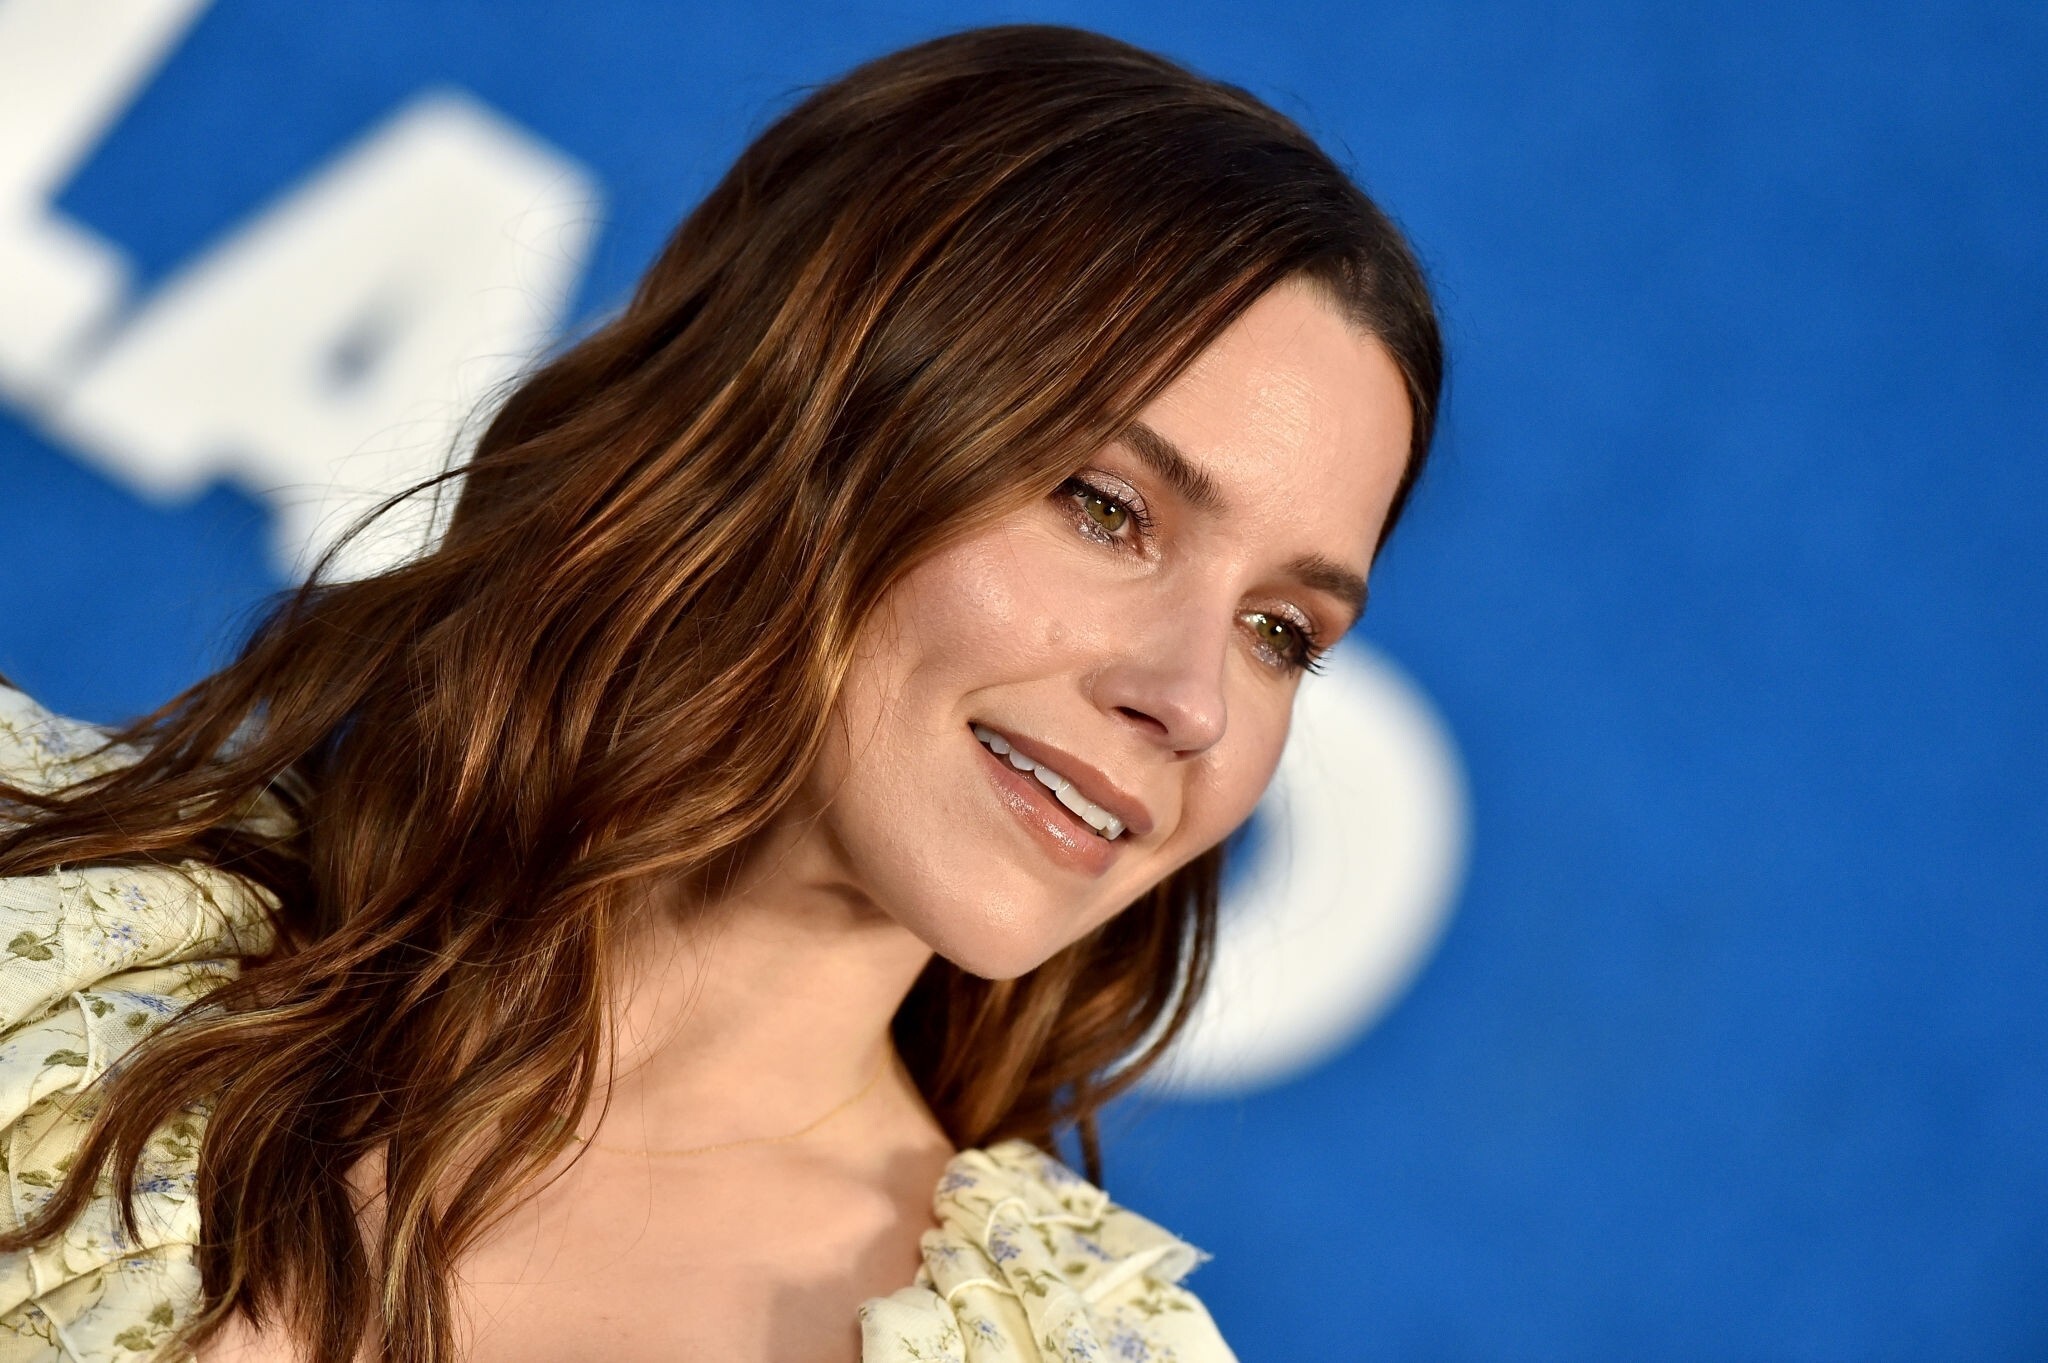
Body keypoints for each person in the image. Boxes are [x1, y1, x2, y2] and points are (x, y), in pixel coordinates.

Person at [0, 22, 1441, 1363]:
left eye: (1281, 631)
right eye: (1107, 509)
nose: (1193, 698)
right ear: (807, 430)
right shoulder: (53, 938)